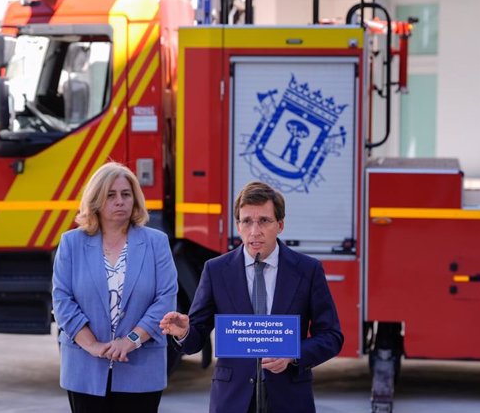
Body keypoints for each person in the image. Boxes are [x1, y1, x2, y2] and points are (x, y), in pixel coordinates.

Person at [160, 181, 344, 413]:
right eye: (247, 221)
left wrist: (293, 354)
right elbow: (195, 339)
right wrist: (185, 332)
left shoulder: (308, 270)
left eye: (264, 221)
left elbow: (331, 336)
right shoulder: (216, 271)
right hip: (232, 400)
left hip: (290, 399)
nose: (255, 231)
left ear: (280, 225)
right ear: (238, 225)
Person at [53, 161, 178, 413]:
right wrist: (93, 346)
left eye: (126, 194)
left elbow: (165, 299)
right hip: (85, 370)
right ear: (96, 200)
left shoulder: (157, 242)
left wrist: (130, 340)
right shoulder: (71, 243)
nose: (120, 201)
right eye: (111, 195)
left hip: (141, 368)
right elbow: (62, 300)